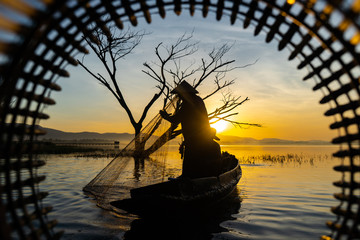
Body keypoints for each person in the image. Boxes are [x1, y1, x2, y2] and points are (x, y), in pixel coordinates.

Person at [160, 81, 222, 178]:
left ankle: (188, 179)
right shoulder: (198, 100)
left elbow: (176, 119)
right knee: (198, 164)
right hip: (201, 137)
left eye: (180, 95)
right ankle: (195, 178)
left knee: (190, 164)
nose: (179, 97)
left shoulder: (188, 104)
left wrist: (165, 116)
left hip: (194, 139)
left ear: (185, 94)